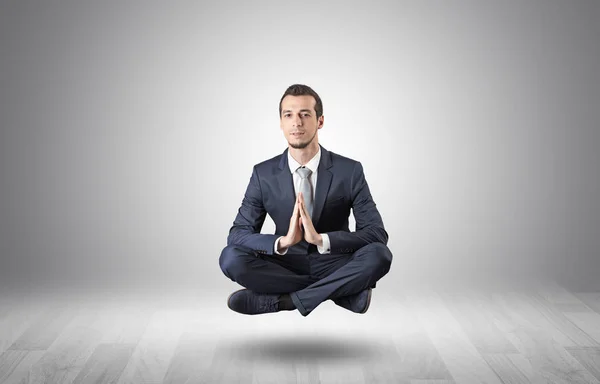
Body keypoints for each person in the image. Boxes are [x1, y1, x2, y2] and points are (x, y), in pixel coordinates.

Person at [219, 84, 392, 316]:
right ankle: (342, 292)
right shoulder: (263, 174)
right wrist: (282, 241)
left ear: (319, 121)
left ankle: (284, 302)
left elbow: (376, 233)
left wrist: (321, 239)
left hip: (334, 260)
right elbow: (238, 234)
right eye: (288, 115)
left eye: (305, 114)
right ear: (280, 123)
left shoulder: (349, 170)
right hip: (284, 264)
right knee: (231, 258)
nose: (296, 122)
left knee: (379, 255)